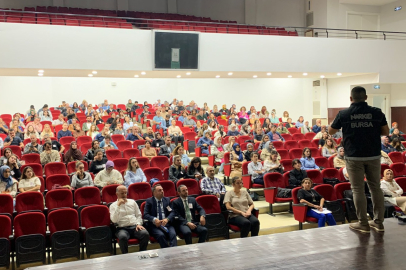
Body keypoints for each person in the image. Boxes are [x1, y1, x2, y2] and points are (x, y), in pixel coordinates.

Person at [329, 86, 388, 233]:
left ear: (351, 99)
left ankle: (363, 223)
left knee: (357, 189)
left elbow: (331, 131)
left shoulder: (344, 114)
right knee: (375, 187)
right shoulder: (376, 112)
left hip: (354, 156)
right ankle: (378, 222)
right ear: (366, 97)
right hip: (373, 155)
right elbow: (386, 132)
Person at [110, 185, 150, 254]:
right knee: (122, 237)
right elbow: (114, 220)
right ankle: (125, 255)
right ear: (117, 194)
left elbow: (138, 215)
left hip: (135, 227)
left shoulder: (132, 202)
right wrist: (118, 206)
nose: (124, 195)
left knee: (145, 234)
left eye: (125, 193)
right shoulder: (113, 205)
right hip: (122, 228)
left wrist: (138, 224)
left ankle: (142, 253)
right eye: (122, 193)